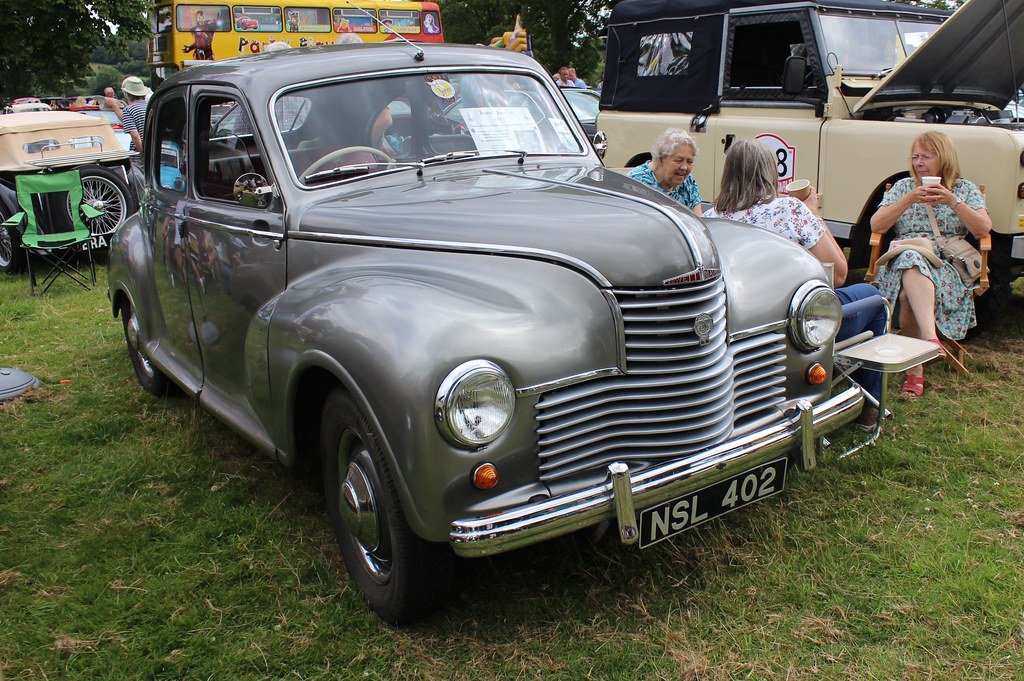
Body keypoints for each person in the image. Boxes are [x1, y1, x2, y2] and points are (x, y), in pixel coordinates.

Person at [706, 138, 887, 430]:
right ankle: (869, 407)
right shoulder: (789, 209)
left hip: (741, 327)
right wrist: (813, 213)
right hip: (796, 327)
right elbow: (838, 274)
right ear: (770, 173)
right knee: (874, 299)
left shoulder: (711, 217)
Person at [870, 131, 991, 398]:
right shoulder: (903, 187)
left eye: (926, 156)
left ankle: (916, 371)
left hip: (945, 266)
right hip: (900, 260)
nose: (918, 163)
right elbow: (876, 226)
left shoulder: (963, 189)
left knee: (907, 292)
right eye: (915, 157)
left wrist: (952, 201)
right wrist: (908, 199)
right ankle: (929, 338)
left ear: (943, 158)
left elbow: (984, 229)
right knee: (911, 257)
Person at [627, 128, 703, 216]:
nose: (684, 167)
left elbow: (698, 219)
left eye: (689, 161)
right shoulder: (638, 182)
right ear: (661, 159)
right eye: (679, 160)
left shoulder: (687, 181)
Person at [121, 76, 153, 167]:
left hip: (139, 156)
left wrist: (143, 154)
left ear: (127, 94)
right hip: (155, 152)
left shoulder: (128, 110)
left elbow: (135, 136)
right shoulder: (150, 106)